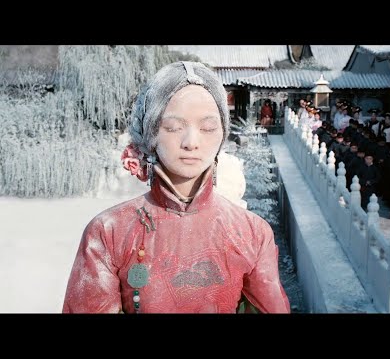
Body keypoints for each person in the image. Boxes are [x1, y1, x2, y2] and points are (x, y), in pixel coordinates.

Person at [62, 61, 290, 314]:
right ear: (150, 134)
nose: (191, 142)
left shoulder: (252, 233)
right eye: (173, 127)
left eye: (207, 128)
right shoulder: (109, 231)